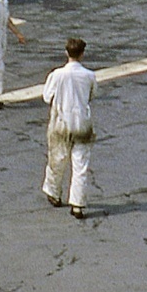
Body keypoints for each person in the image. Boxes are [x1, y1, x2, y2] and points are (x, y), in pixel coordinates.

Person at [42, 37, 96, 219]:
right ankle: (77, 204)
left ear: (66, 53)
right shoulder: (89, 75)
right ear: (82, 53)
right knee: (80, 165)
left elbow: (47, 96)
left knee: (57, 159)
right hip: (82, 122)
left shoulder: (57, 75)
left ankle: (54, 192)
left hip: (61, 122)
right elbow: (91, 95)